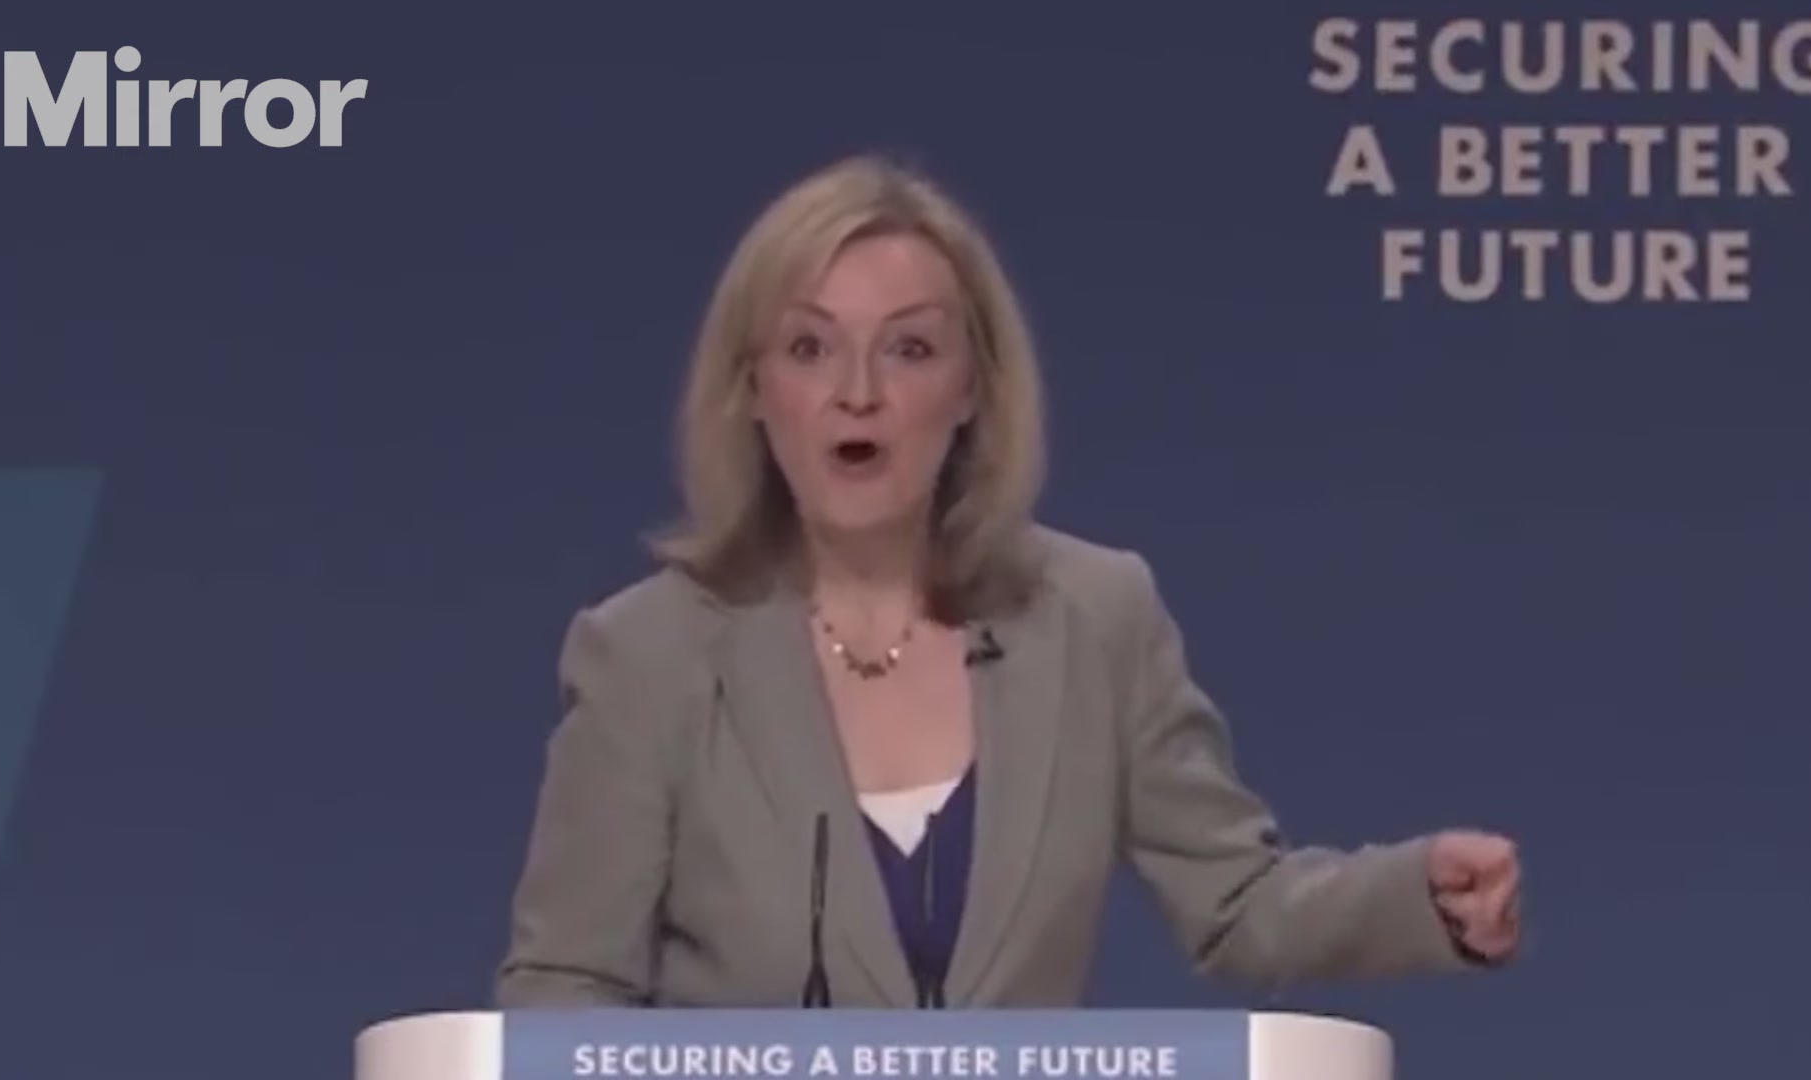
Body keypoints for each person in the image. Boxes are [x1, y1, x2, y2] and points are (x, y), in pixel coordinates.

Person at [493, 153, 1522, 1009]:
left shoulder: (1094, 621)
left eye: (908, 349)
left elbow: (1236, 906)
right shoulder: (650, 656)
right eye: (810, 347)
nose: (858, 393)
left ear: (972, 388)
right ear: (753, 387)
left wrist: (1416, 900)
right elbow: (565, 987)